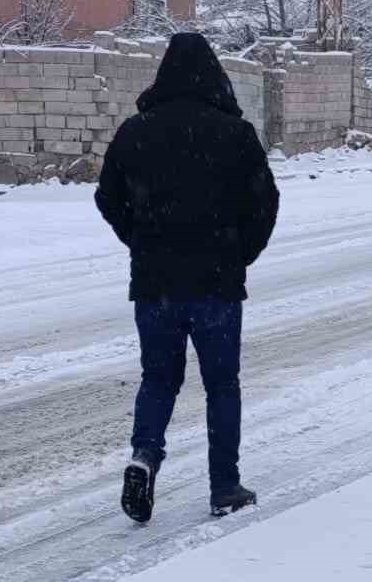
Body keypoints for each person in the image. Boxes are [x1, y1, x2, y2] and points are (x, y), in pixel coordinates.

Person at [95, 33, 280, 524]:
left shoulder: (136, 131)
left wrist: (140, 238)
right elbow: (265, 203)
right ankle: (224, 486)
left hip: (154, 282)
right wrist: (241, 252)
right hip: (217, 281)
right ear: (215, 75)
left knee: (158, 378)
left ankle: (145, 456)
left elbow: (107, 197)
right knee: (222, 385)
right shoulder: (234, 134)